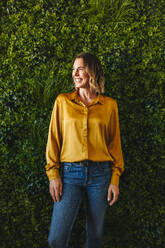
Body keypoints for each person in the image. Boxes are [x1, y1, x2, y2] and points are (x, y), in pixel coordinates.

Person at [45, 52, 124, 248]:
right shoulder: (62, 102)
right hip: (70, 174)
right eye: (73, 69)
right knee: (56, 238)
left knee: (94, 238)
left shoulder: (109, 105)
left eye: (80, 68)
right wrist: (53, 174)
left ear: (92, 72)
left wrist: (115, 179)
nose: (75, 73)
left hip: (101, 175)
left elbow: (115, 145)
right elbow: (53, 139)